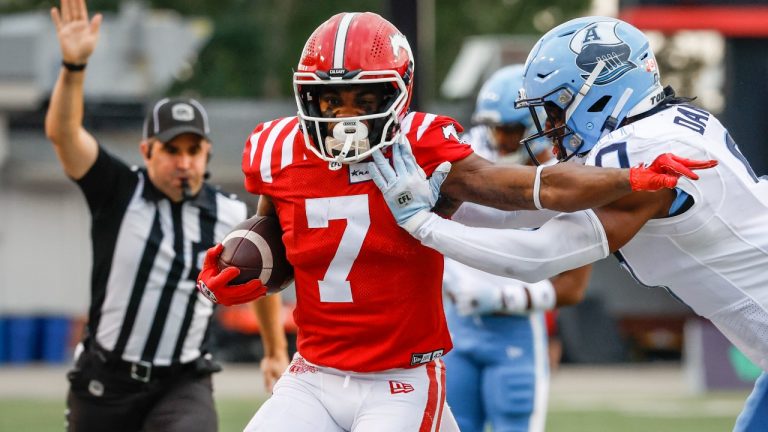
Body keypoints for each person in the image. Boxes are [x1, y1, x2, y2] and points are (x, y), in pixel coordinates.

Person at [195, 12, 711, 432]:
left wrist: (628, 177)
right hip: (311, 373)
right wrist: (245, 270)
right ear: (307, 96)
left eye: (364, 98)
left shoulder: (420, 145)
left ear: (398, 94)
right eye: (330, 99)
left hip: (399, 380)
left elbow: (529, 188)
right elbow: (281, 240)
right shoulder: (276, 149)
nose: (345, 116)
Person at [369, 16, 768, 432]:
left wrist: (421, 225)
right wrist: (444, 202)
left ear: (602, 89)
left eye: (556, 108)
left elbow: (538, 254)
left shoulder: (643, 152)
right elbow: (529, 206)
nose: (549, 127)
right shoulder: (657, 129)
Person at [45, 1, 285, 430]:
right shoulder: (118, 190)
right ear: (147, 151)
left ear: (207, 153)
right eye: (172, 150)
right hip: (107, 379)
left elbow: (261, 279)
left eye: (193, 151)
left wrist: (274, 350)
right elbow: (64, 135)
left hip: (182, 383)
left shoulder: (230, 213)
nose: (183, 162)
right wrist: (73, 66)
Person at [442, 64, 591, 432]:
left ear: (536, 127)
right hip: (452, 327)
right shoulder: (459, 162)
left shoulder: (567, 180)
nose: (498, 141)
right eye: (493, 129)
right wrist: (449, 280)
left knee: (515, 421)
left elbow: (573, 287)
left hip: (516, 330)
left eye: (508, 130)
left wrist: (503, 299)